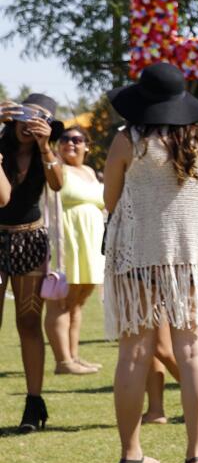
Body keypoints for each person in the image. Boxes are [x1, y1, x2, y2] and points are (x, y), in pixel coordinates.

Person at [101, 63, 198, 463]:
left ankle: (130, 454)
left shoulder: (127, 140)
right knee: (193, 350)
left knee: (133, 353)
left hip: (137, 256)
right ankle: (196, 454)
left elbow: (110, 201)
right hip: (194, 258)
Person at [1, 94, 62, 430]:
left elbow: (57, 184)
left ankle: (33, 403)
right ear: (14, 116)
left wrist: (45, 146)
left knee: (28, 322)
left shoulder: (45, 152)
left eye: (40, 119)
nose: (30, 124)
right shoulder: (1, 146)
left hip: (30, 239)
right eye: (26, 116)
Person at [44, 125, 104, 377]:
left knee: (78, 302)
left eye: (77, 139)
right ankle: (63, 360)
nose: (70, 143)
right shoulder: (56, 168)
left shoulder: (90, 171)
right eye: (65, 139)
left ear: (87, 146)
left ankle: (74, 356)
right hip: (67, 242)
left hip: (91, 244)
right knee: (61, 301)